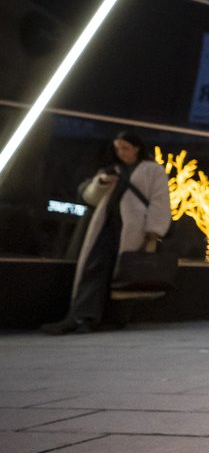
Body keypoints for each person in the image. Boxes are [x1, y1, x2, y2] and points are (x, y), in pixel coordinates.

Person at [42, 131, 172, 334]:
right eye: (118, 148)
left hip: (133, 230)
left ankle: (108, 318)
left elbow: (160, 200)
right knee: (95, 268)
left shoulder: (152, 170)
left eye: (125, 148)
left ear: (136, 148)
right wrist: (101, 182)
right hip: (107, 226)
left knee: (123, 272)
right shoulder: (113, 169)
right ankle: (82, 317)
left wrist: (153, 230)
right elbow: (91, 198)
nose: (121, 152)